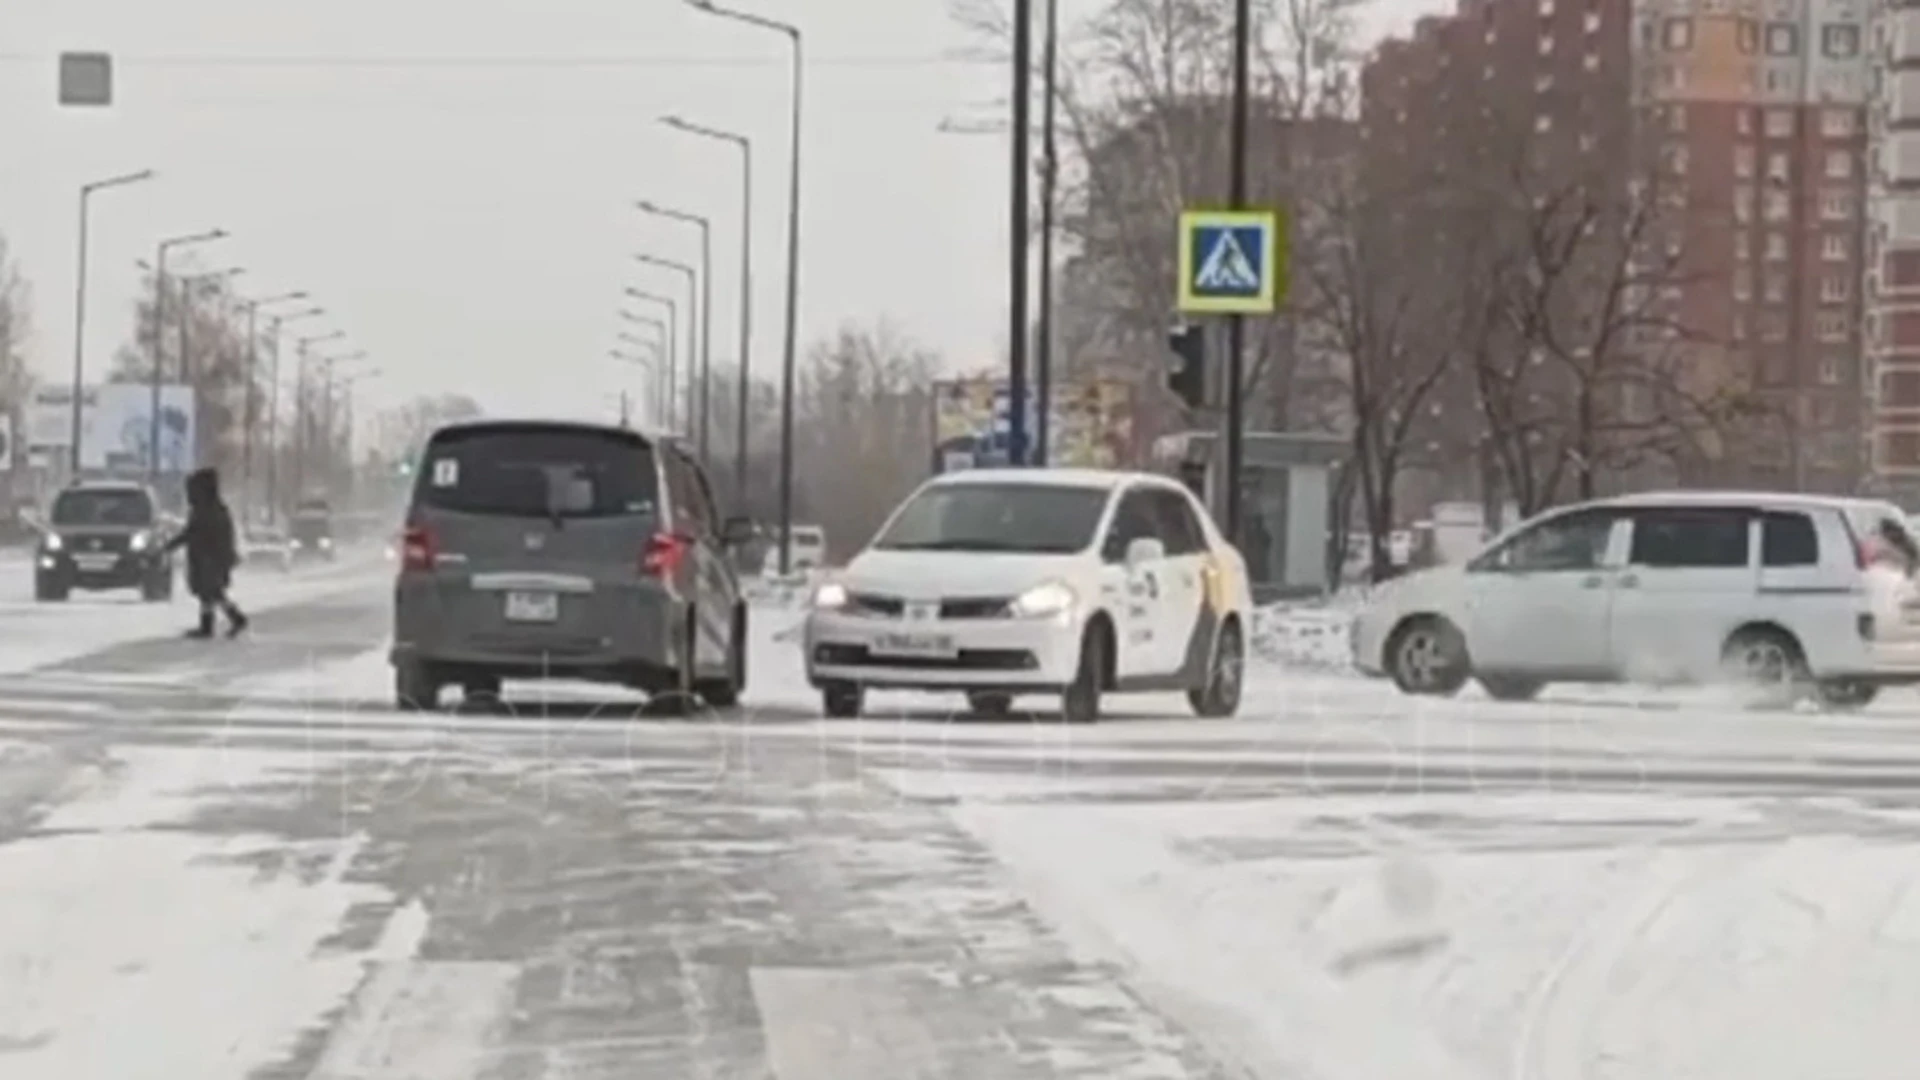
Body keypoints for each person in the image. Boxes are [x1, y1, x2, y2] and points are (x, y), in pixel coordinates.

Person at [166, 467, 248, 639]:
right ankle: (221, 622)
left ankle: (218, 623)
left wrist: (171, 546)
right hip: (210, 557)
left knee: (210, 592)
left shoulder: (207, 510)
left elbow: (192, 533)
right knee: (211, 593)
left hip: (209, 559)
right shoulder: (213, 508)